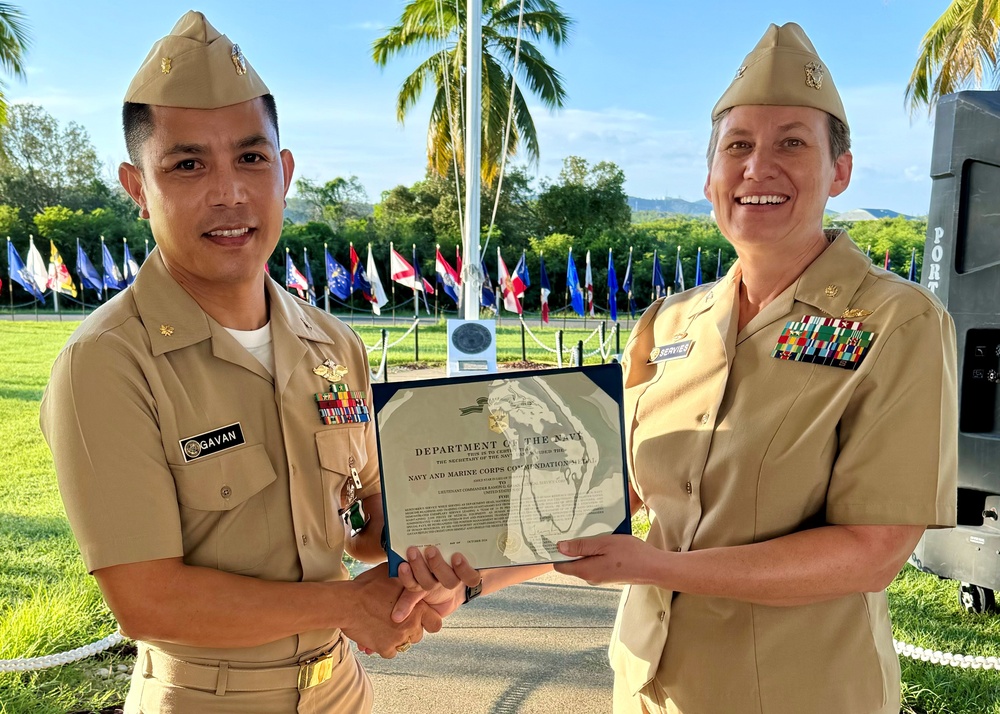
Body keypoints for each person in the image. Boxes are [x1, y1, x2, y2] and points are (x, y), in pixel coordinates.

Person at [395, 21, 958, 714]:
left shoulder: (898, 323)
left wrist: (660, 568)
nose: (759, 168)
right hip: (648, 688)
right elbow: (610, 496)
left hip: (797, 692)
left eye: (792, 143)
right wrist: (473, 577)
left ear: (839, 171)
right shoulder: (669, 323)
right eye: (739, 147)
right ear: (711, 174)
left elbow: (872, 552)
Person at [39, 11, 474, 713]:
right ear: (136, 187)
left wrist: (434, 558)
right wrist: (346, 604)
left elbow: (366, 523)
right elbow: (146, 601)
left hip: (341, 689)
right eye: (187, 165)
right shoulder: (108, 363)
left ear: (286, 170)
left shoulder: (334, 343)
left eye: (251, 158)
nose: (230, 193)